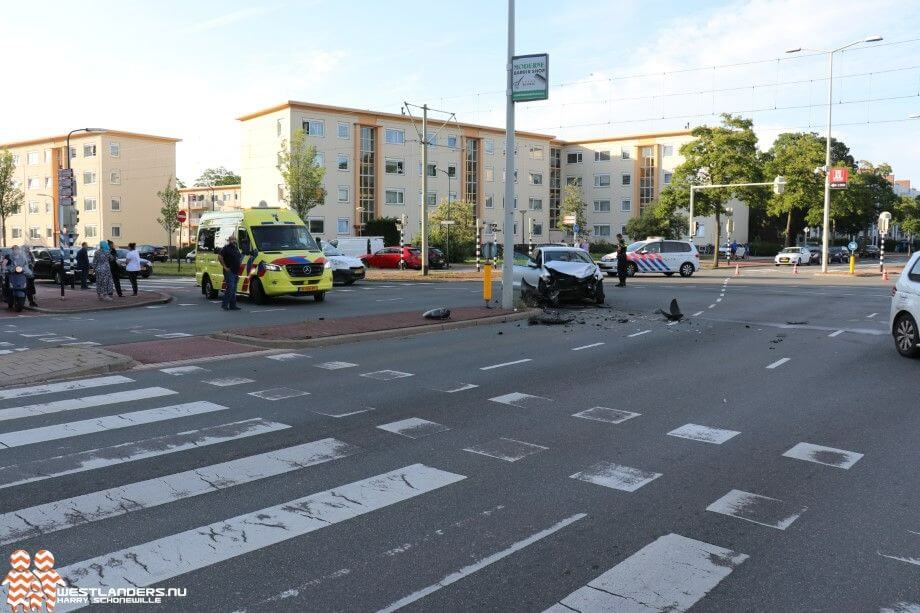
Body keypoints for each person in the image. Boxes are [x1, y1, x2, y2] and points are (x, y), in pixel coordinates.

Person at [218, 234, 242, 311]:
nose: (233, 241)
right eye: (232, 239)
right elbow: (220, 257)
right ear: (229, 240)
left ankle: (233, 305)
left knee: (234, 289)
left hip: (236, 271)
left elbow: (238, 258)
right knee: (230, 288)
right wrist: (224, 267)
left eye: (234, 239)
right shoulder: (226, 248)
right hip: (229, 271)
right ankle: (224, 305)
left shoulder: (236, 248)